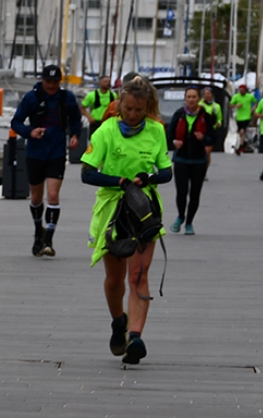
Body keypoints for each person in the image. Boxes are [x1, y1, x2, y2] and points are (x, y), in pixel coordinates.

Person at [81, 76, 173, 365]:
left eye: (139, 110)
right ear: (119, 105)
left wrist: (150, 177)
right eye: (128, 109)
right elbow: (86, 173)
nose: (133, 115)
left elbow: (167, 172)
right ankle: (118, 321)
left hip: (144, 209)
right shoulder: (105, 132)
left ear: (148, 109)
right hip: (113, 208)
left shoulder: (157, 131)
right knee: (115, 279)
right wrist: (119, 181)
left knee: (138, 276)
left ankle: (135, 336)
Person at [10, 64, 83, 257]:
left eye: (55, 82)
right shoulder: (31, 98)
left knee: (52, 195)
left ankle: (49, 239)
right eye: (48, 81)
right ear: (42, 80)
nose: (51, 85)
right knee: (35, 197)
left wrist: (75, 135)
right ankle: (37, 231)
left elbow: (76, 120)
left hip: (57, 152)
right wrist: (30, 132)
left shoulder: (66, 98)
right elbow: (16, 122)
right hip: (35, 152)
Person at [166, 87, 214, 235]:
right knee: (181, 192)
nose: (191, 100)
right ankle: (180, 216)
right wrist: (174, 142)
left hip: (199, 160)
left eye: (194, 97)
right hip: (181, 159)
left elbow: (213, 137)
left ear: (199, 99)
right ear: (185, 99)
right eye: (189, 97)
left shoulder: (206, 116)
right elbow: (169, 135)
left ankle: (189, 222)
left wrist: (203, 139)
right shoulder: (179, 114)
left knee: (195, 194)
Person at [229, 83, 256, 153]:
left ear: (245, 90)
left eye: (242, 90)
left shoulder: (249, 96)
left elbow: (256, 102)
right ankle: (242, 143)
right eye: (240, 90)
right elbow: (230, 105)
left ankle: (240, 145)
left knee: (242, 131)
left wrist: (253, 109)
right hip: (238, 117)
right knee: (240, 132)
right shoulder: (236, 97)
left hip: (247, 116)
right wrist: (236, 105)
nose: (241, 91)